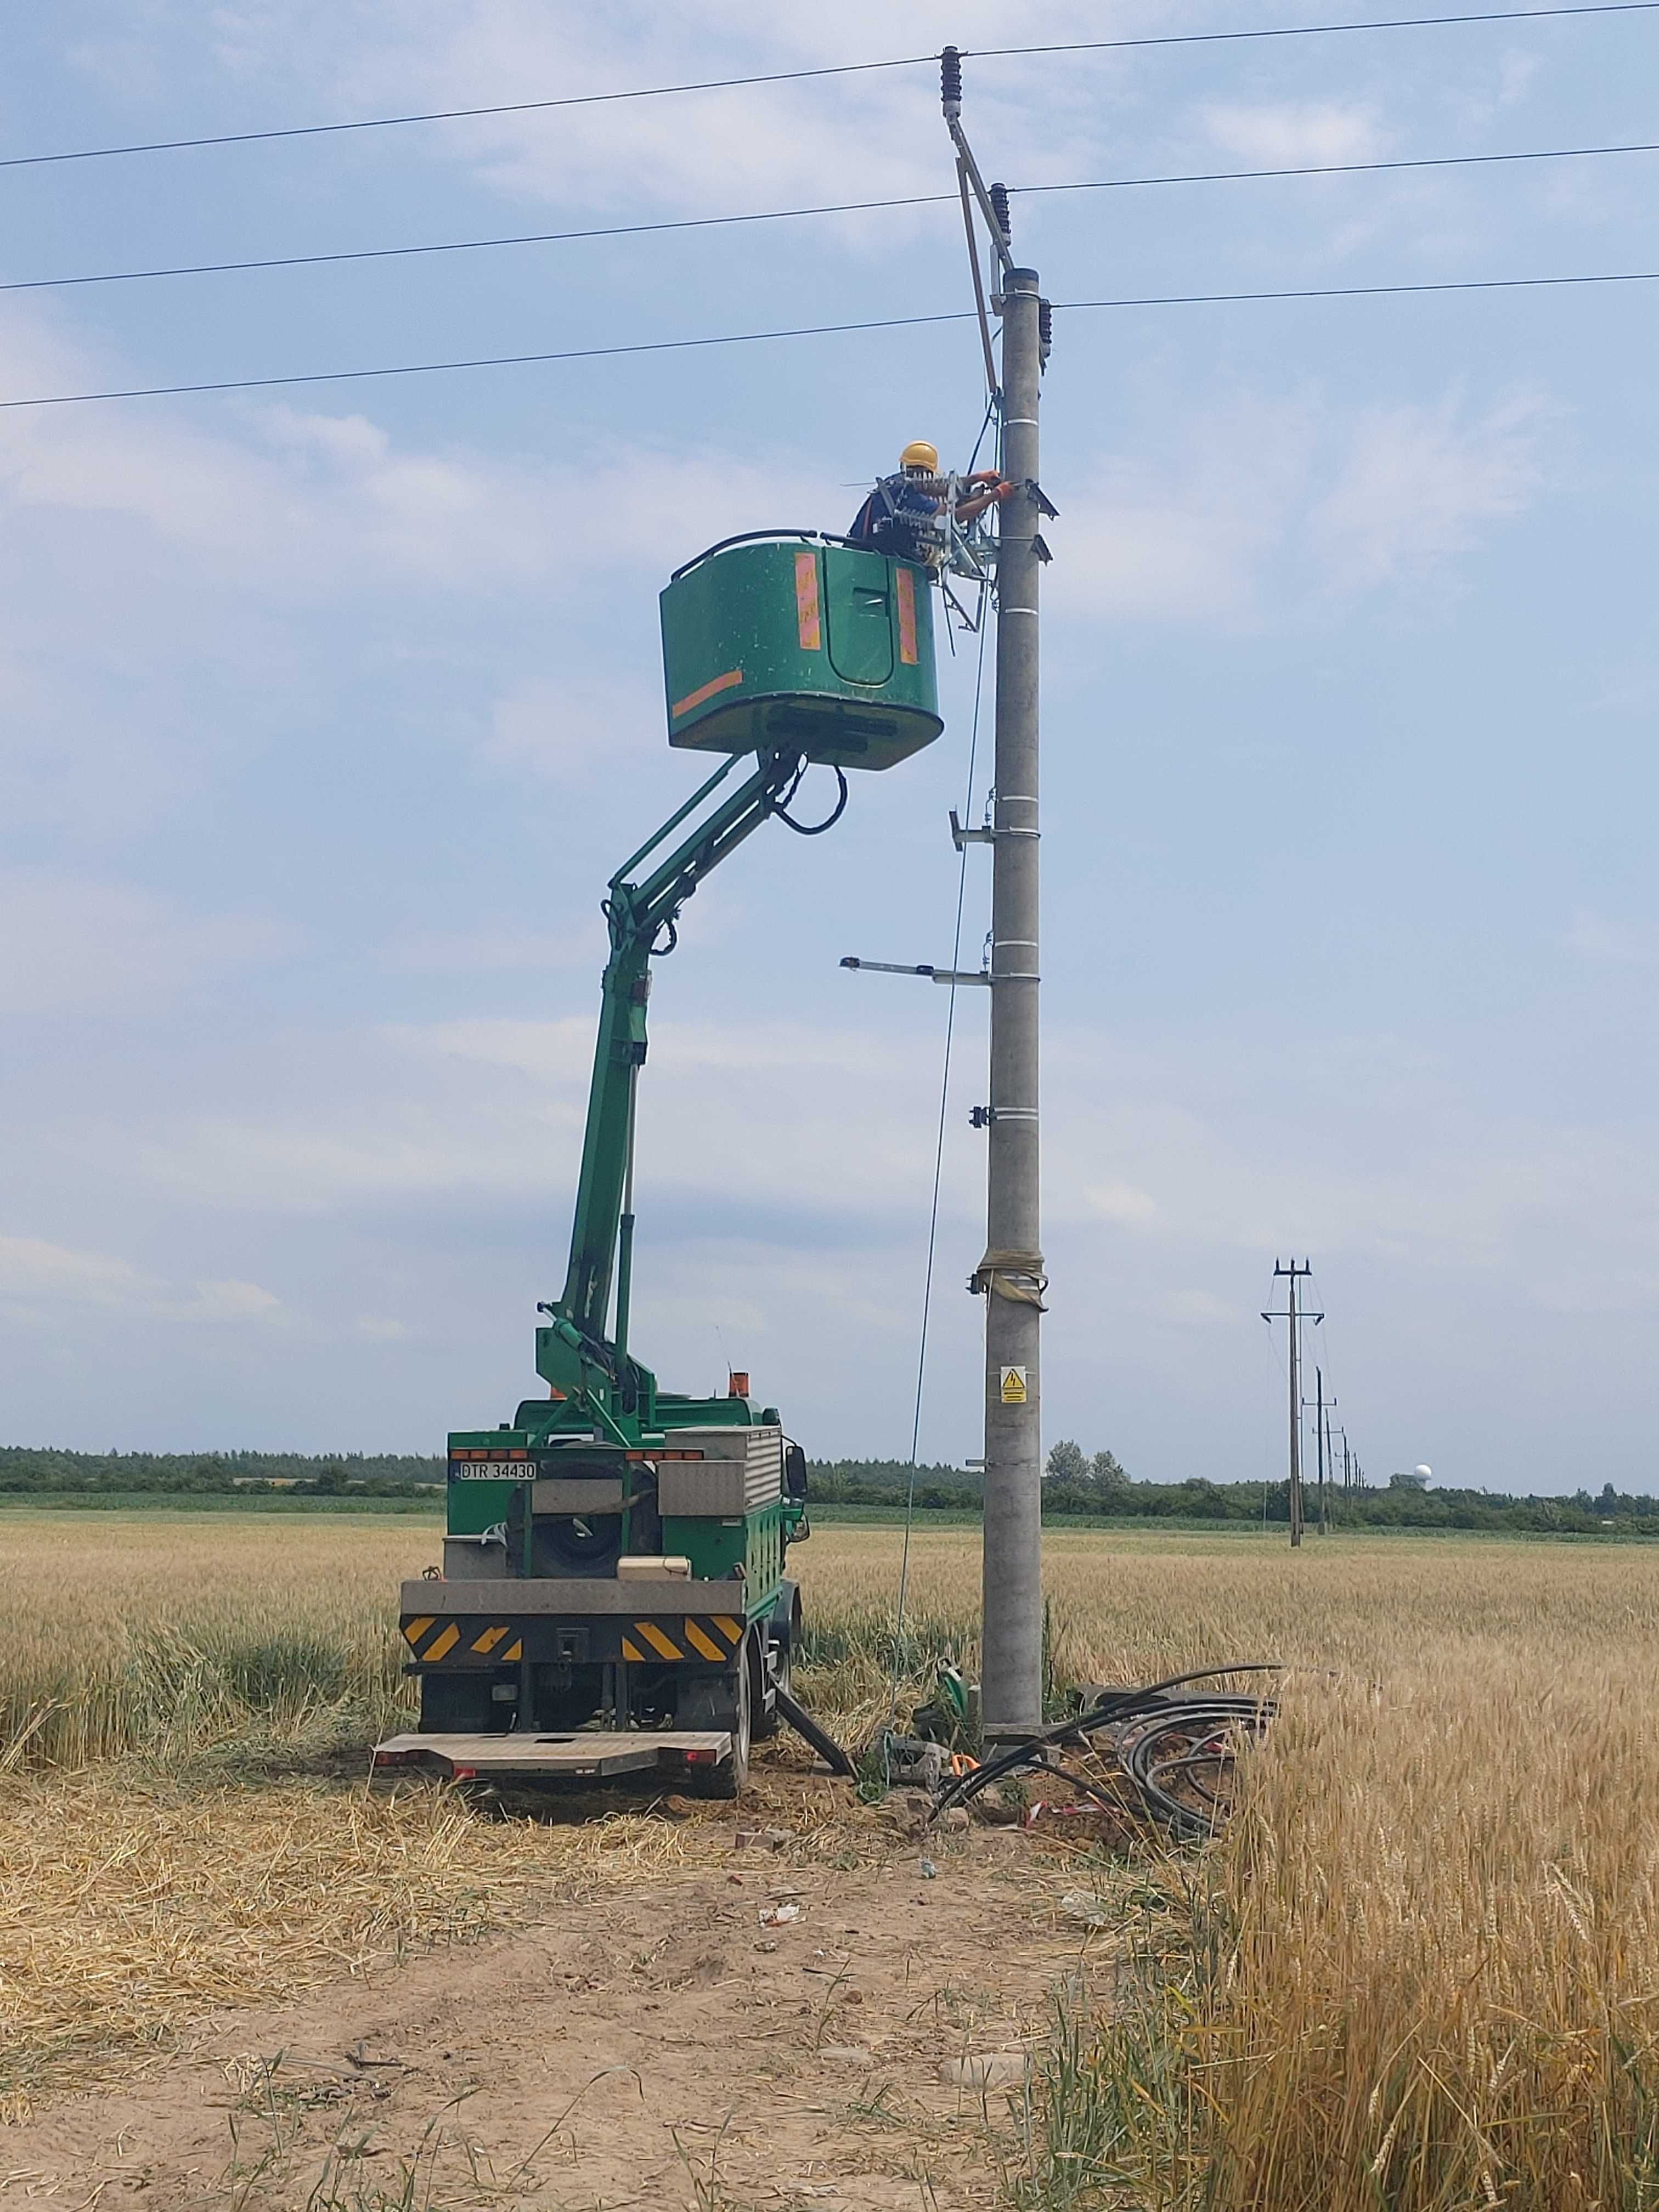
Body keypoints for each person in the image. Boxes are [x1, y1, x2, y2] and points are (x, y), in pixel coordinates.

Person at [847, 439, 1016, 565]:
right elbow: (954, 516)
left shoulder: (895, 485)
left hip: (864, 554)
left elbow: (938, 489)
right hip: (875, 559)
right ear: (929, 473)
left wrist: (977, 479)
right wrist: (995, 495)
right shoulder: (906, 497)